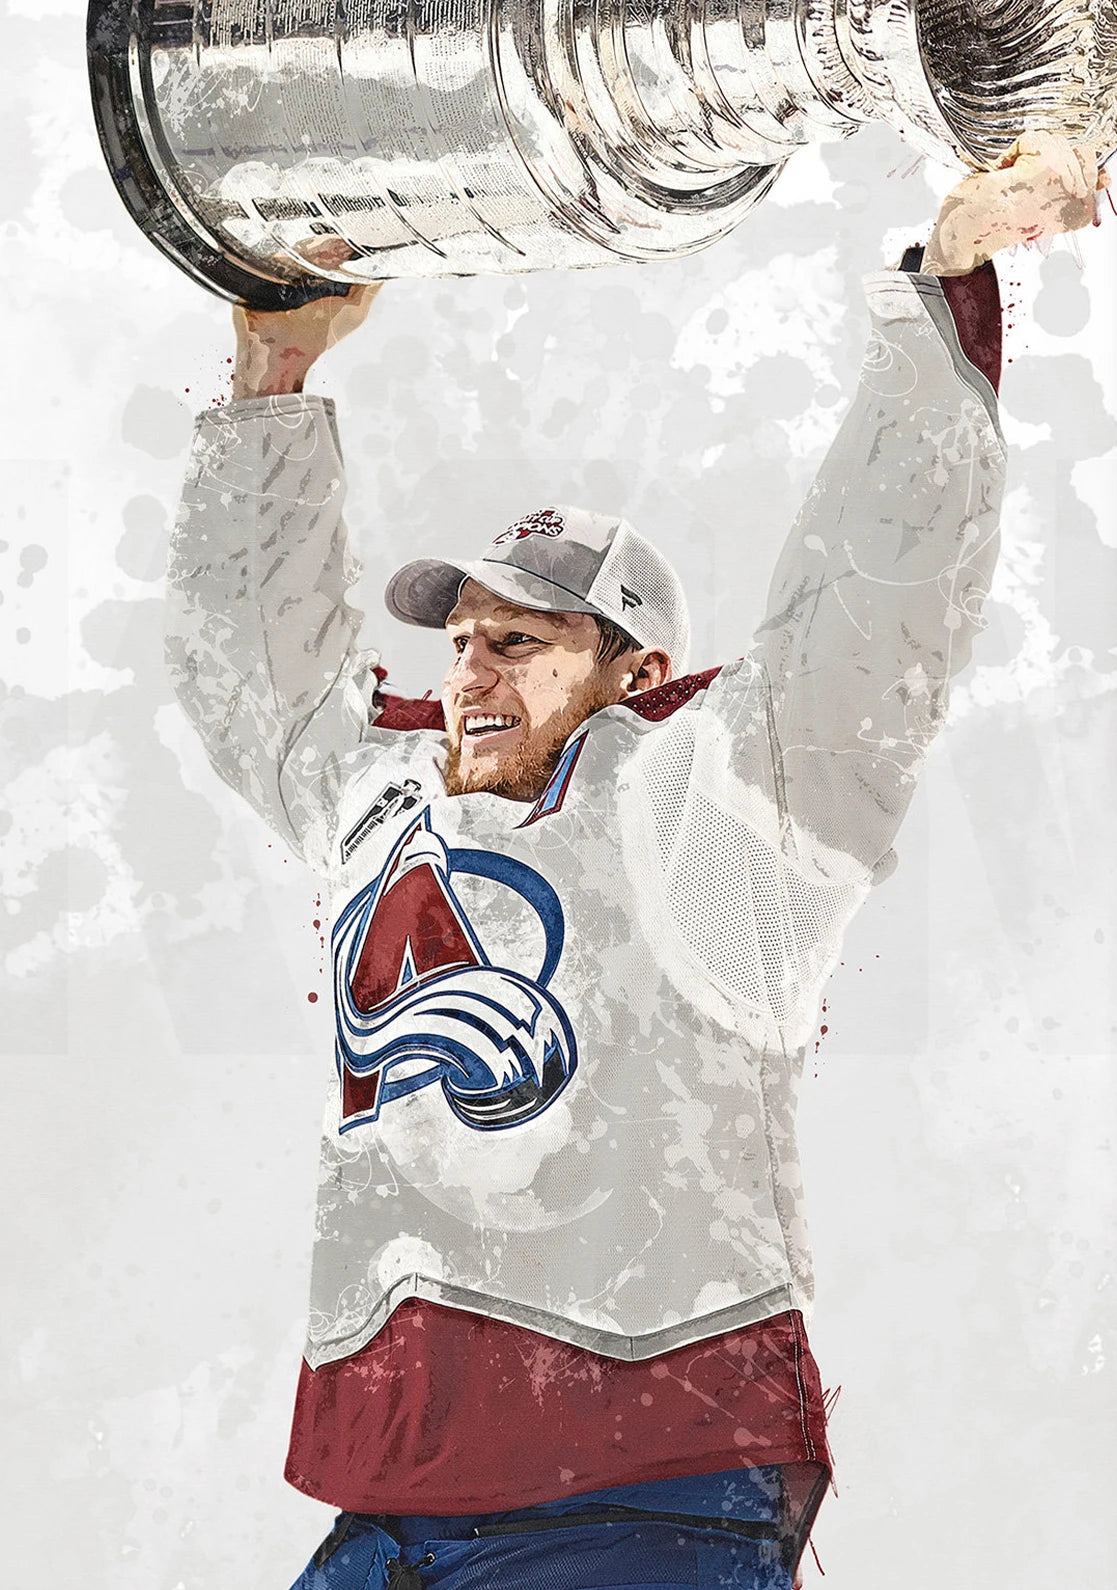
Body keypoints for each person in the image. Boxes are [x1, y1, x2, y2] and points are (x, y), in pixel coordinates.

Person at [166, 133, 1106, 1590]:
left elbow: (869, 616)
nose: (473, 669)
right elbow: (249, 678)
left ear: (631, 669)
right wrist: (273, 380)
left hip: (637, 1484)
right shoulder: (375, 801)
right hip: (389, 1491)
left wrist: (949, 286)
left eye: (524, 639)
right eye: (462, 635)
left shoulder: (715, 815)